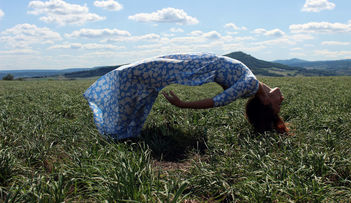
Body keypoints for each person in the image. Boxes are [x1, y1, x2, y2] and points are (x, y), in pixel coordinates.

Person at [83, 53, 288, 140]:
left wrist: (183, 105)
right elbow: (266, 91)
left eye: (278, 105)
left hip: (191, 67)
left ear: (265, 101)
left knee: (131, 74)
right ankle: (121, 128)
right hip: (193, 61)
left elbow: (217, 101)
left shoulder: (250, 85)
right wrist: (272, 112)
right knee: (137, 78)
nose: (282, 100)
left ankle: (116, 129)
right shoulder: (257, 88)